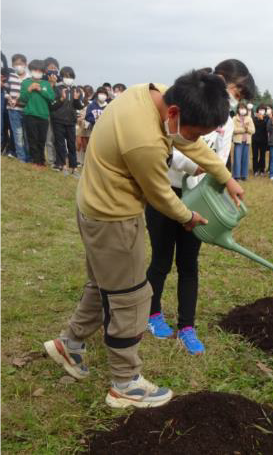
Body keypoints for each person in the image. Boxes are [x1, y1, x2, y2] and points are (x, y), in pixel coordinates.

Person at [43, 70, 245, 409]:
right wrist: (188, 217)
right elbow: (162, 196)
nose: (195, 138)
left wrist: (225, 177)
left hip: (92, 205)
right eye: (196, 130)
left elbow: (189, 142)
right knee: (130, 297)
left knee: (103, 284)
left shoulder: (151, 94)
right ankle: (125, 383)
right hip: (113, 218)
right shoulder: (146, 142)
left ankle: (70, 344)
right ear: (174, 114)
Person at [146, 59, 255, 354]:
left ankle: (187, 326)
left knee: (189, 263)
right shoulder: (185, 104)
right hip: (167, 191)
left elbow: (220, 160)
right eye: (236, 90)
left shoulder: (227, 122)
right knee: (161, 259)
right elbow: (167, 149)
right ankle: (152, 313)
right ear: (220, 78)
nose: (235, 99)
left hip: (200, 197)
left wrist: (215, 177)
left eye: (240, 97)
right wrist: (193, 166)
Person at [19, 60, 55, 167]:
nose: (37, 72)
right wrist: (29, 89)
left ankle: (41, 161)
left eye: (40, 70)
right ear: (30, 70)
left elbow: (51, 98)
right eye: (35, 70)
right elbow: (23, 99)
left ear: (43, 72)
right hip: (30, 114)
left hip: (43, 115)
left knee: (42, 139)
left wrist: (41, 90)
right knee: (32, 138)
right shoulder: (25, 83)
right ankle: (35, 161)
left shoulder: (46, 84)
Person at [50, 67, 84, 176]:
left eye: (70, 77)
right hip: (58, 120)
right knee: (60, 144)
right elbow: (52, 106)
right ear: (62, 77)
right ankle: (63, 166)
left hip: (71, 121)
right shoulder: (57, 88)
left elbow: (79, 106)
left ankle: (74, 168)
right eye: (66, 76)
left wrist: (76, 99)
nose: (68, 79)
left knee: (71, 145)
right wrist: (61, 99)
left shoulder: (77, 90)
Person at [5, 54, 30, 162]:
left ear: (25, 64)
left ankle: (28, 156)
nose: (18, 66)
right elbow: (5, 90)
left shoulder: (30, 78)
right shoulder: (10, 76)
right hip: (13, 110)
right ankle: (22, 157)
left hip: (26, 110)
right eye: (15, 64)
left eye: (20, 64)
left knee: (26, 134)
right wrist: (8, 97)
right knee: (17, 134)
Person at [43, 57, 60, 166]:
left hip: (56, 114)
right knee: (46, 138)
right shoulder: (43, 82)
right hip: (45, 113)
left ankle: (55, 160)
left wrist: (55, 84)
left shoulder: (61, 84)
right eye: (50, 68)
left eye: (55, 68)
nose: (53, 70)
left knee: (54, 139)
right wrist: (51, 84)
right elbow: (48, 97)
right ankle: (47, 159)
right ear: (45, 70)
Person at [232, 103, 255, 181]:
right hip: (238, 142)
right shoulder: (234, 118)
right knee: (237, 159)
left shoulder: (249, 118)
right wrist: (243, 129)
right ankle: (236, 176)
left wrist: (247, 128)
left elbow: (253, 130)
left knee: (245, 159)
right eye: (241, 108)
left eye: (244, 108)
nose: (242, 110)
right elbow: (233, 130)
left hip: (247, 142)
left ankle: (244, 175)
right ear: (238, 109)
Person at [76, 85, 94, 165]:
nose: (87, 93)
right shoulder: (79, 100)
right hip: (79, 124)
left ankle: (85, 161)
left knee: (85, 144)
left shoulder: (92, 102)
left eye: (89, 91)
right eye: (86, 91)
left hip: (87, 124)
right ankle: (78, 160)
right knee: (79, 143)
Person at [252, 105, 268, 176]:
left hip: (264, 140)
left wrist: (262, 119)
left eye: (263, 109)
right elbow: (254, 126)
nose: (261, 111)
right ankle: (255, 170)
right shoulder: (254, 118)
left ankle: (262, 169)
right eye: (260, 109)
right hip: (255, 139)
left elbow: (267, 127)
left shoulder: (266, 118)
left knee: (262, 155)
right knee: (255, 155)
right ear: (257, 111)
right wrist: (259, 119)